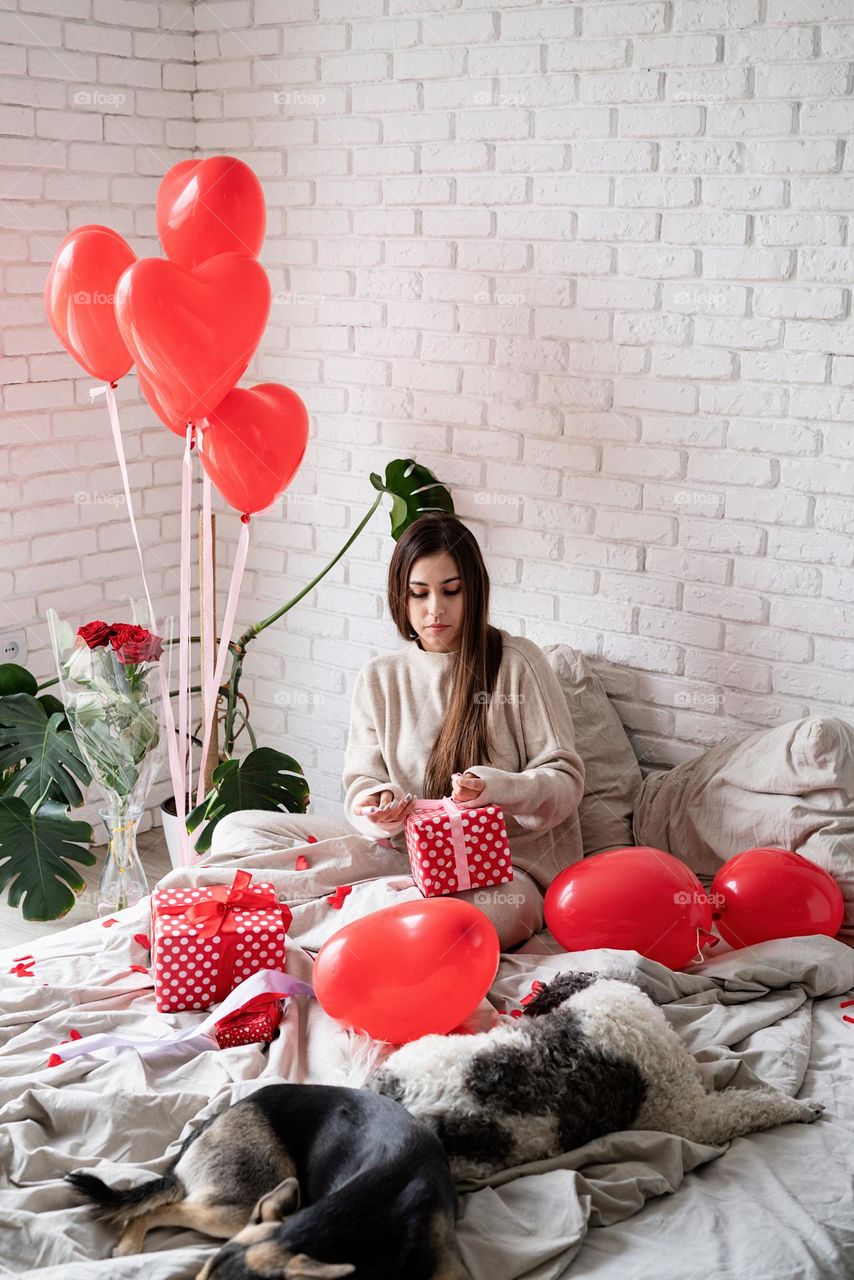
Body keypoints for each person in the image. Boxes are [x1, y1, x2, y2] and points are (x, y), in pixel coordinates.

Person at [207, 513, 586, 950]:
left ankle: (305, 921)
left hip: (505, 872)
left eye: (451, 591)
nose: (435, 609)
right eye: (419, 593)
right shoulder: (379, 677)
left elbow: (565, 782)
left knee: (460, 923)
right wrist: (377, 805)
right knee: (236, 828)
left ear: (475, 590)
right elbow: (361, 784)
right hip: (404, 855)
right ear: (400, 598)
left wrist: (498, 788)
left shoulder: (519, 663)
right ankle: (366, 915)